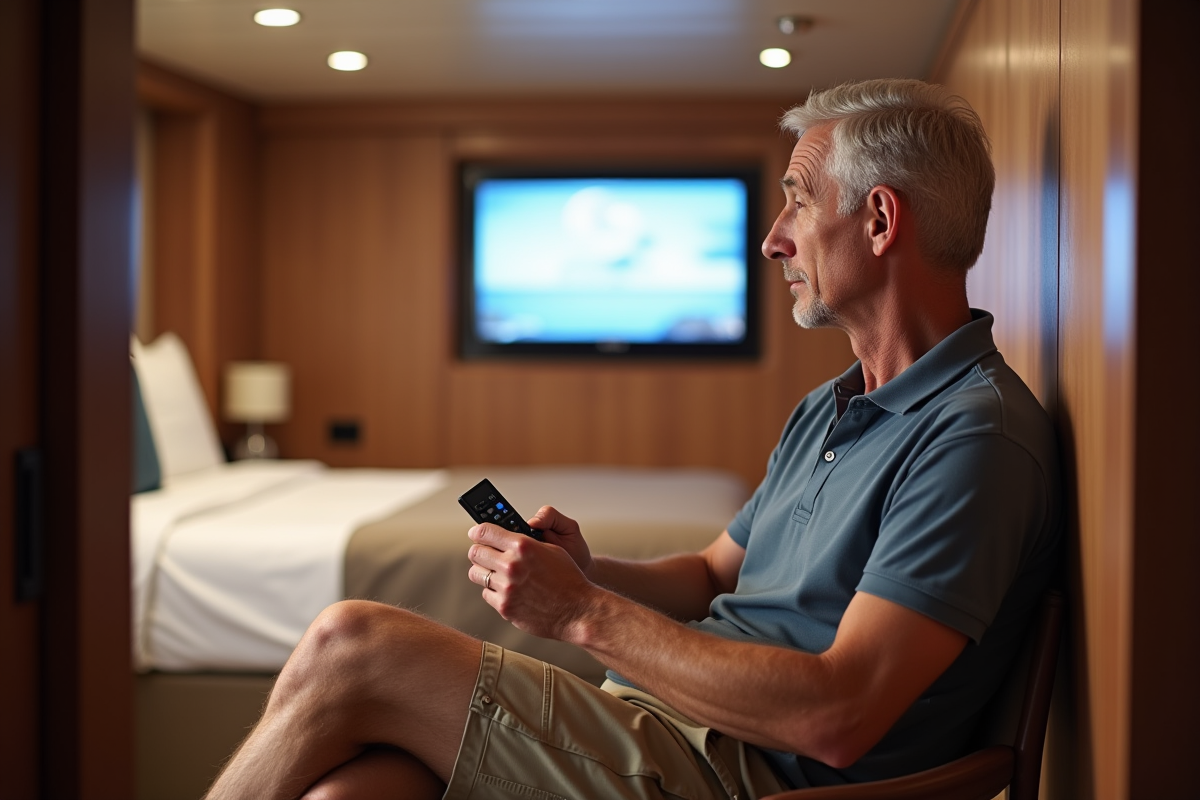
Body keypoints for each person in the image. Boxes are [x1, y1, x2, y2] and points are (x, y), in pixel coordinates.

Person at [205, 78, 1062, 800]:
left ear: (879, 222)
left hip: (741, 770)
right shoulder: (830, 408)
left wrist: (580, 613)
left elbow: (835, 717)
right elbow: (712, 575)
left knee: (352, 645)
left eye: (798, 201)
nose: (772, 239)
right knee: (355, 792)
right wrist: (590, 572)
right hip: (671, 722)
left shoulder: (973, 436)